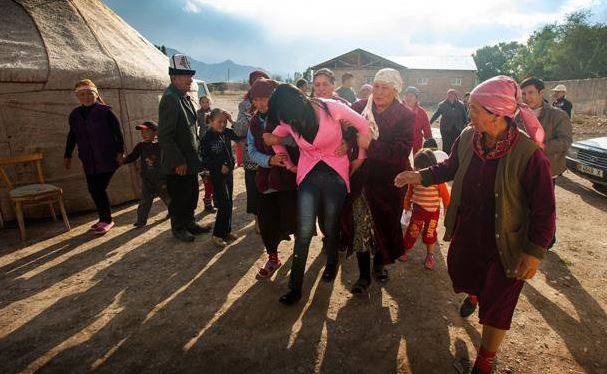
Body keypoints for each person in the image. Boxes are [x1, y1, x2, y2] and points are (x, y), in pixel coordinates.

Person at [394, 75, 556, 374]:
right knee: (466, 273)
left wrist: (534, 252)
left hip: (506, 242)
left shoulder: (529, 155)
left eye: (475, 109)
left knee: (498, 305)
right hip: (469, 230)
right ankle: (474, 294)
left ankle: (485, 361)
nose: (470, 115)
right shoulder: (469, 136)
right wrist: (419, 176)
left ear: (497, 114)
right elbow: (451, 166)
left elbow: (545, 209)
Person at [267, 84, 371, 305]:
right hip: (308, 175)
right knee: (303, 230)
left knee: (332, 224)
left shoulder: (331, 108)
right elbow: (275, 139)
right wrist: (288, 163)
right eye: (286, 119)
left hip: (336, 174)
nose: (289, 122)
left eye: (290, 117)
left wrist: (360, 156)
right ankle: (295, 287)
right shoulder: (289, 119)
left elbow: (363, 126)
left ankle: (332, 263)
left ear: (300, 102)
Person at [341, 68, 415, 294]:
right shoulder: (359, 108)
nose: (380, 92)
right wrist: (347, 140)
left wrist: (369, 145)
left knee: (384, 225)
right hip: (362, 180)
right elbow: (341, 127)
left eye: (385, 88)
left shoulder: (405, 115)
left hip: (389, 182)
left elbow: (401, 151)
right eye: (376, 86)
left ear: (395, 90)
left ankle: (380, 264)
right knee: (361, 225)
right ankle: (363, 276)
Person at [246, 79, 298, 277]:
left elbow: (299, 141)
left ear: (273, 97)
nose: (260, 103)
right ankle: (273, 258)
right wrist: (269, 160)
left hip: (288, 180)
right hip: (266, 180)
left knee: (293, 219)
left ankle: (299, 255)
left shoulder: (286, 117)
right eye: (256, 99)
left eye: (265, 98)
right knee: (267, 222)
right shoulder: (254, 121)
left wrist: (279, 140)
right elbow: (250, 150)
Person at [158, 54, 211, 242]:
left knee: (191, 194)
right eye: (186, 76)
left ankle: (189, 223)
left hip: (190, 159)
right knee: (179, 196)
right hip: (179, 162)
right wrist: (178, 161)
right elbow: (164, 135)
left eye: (190, 75)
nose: (190, 79)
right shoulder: (170, 99)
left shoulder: (183, 97)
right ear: (174, 78)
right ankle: (179, 227)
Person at [64, 79, 125, 235]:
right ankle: (103, 218)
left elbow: (118, 134)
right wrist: (67, 154)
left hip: (107, 157)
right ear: (77, 97)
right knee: (94, 189)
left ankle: (107, 220)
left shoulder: (105, 111)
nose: (86, 97)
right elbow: (72, 135)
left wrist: (120, 152)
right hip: (88, 159)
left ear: (96, 94)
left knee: (98, 188)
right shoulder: (75, 115)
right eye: (82, 94)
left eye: (89, 93)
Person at [399, 149, 450, 269]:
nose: (417, 172)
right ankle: (405, 250)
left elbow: (446, 197)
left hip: (433, 213)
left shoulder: (438, 181)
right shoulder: (414, 180)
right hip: (417, 212)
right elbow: (409, 193)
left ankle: (430, 255)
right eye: (416, 168)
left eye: (420, 169)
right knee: (412, 232)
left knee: (430, 234)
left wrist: (448, 209)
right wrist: (406, 206)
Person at [233, 70, 271, 232]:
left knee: (270, 189)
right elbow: (239, 130)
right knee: (254, 190)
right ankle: (258, 220)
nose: (258, 84)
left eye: (262, 81)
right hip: (252, 157)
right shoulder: (245, 105)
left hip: (271, 155)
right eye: (255, 81)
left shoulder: (274, 102)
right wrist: (252, 118)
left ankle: (270, 219)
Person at [201, 108, 242, 248]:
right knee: (223, 203)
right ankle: (217, 234)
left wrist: (231, 119)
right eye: (219, 122)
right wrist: (219, 166)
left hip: (228, 173)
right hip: (217, 175)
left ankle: (226, 231)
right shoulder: (207, 138)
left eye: (224, 122)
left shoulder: (226, 132)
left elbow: (239, 135)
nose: (222, 125)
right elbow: (205, 159)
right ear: (211, 121)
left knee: (229, 202)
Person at [122, 121, 170, 228]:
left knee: (168, 198)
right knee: (144, 200)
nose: (143, 133)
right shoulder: (141, 146)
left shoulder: (160, 144)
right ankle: (141, 220)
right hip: (147, 178)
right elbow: (133, 156)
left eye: (147, 131)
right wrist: (123, 160)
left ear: (155, 132)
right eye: (142, 131)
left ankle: (174, 213)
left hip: (160, 178)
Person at [430, 89, 468, 153]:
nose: (450, 96)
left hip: (457, 129)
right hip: (445, 129)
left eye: (452, 94)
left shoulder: (461, 105)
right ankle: (446, 158)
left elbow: (464, 116)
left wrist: (466, 124)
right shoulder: (442, 105)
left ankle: (454, 159)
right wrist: (430, 122)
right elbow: (436, 114)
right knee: (446, 145)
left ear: (455, 96)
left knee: (455, 145)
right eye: (449, 94)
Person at [197, 95, 216, 212]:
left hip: (213, 158)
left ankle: (216, 202)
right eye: (203, 102)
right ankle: (208, 204)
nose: (205, 103)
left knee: (214, 184)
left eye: (207, 101)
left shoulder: (213, 112)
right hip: (205, 163)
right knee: (208, 184)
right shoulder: (198, 113)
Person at [404, 86, 432, 154]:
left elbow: (427, 130)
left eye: (411, 96)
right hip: (401, 146)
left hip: (415, 146)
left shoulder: (421, 112)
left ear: (416, 99)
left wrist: (430, 143)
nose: (408, 98)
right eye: (407, 96)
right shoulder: (398, 110)